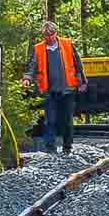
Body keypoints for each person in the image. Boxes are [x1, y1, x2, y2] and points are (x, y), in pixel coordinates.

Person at [27, 20, 85, 154]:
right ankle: (51, 149)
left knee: (67, 120)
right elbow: (32, 66)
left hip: (67, 89)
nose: (49, 38)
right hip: (49, 91)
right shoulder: (39, 49)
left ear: (56, 33)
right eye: (46, 36)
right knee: (49, 121)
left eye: (51, 34)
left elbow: (78, 64)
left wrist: (82, 81)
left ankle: (67, 147)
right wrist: (28, 78)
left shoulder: (67, 44)